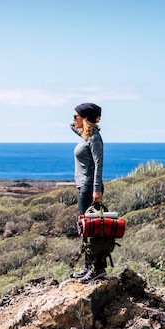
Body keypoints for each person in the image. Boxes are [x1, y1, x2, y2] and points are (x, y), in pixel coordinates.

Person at [69, 102, 106, 283]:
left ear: (84, 118)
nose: (73, 119)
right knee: (86, 229)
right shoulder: (86, 135)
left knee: (92, 230)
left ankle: (98, 269)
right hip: (83, 186)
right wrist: (80, 120)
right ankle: (88, 267)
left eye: (76, 116)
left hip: (90, 187)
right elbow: (72, 126)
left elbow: (99, 164)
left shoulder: (94, 139)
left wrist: (97, 189)